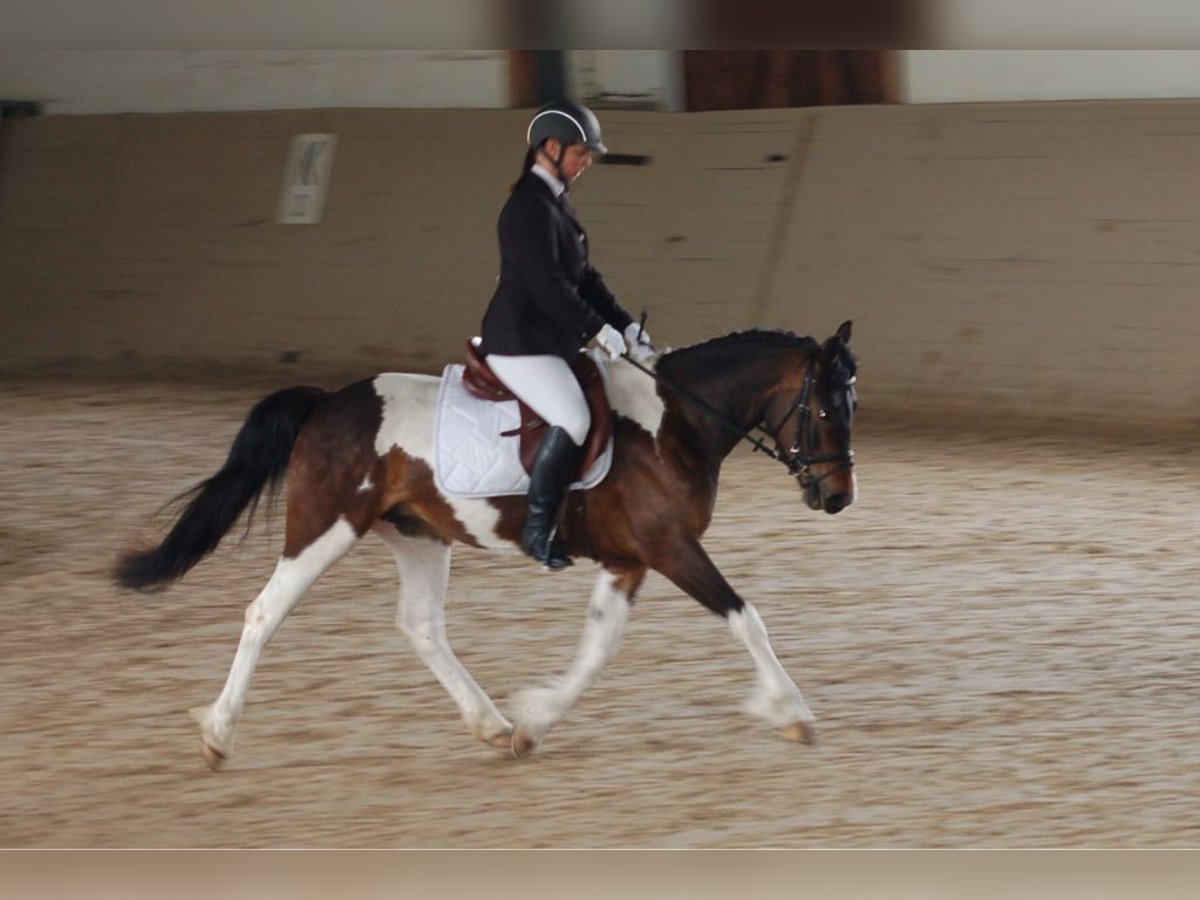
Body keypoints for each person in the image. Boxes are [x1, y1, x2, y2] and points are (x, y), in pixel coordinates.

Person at [478, 98, 654, 570]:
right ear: (550, 147)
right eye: (581, 152)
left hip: (551, 338)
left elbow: (584, 278)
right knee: (574, 418)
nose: (588, 161)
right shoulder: (524, 209)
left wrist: (623, 323)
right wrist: (594, 329)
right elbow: (547, 285)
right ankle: (536, 531)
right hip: (520, 343)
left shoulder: (556, 200)